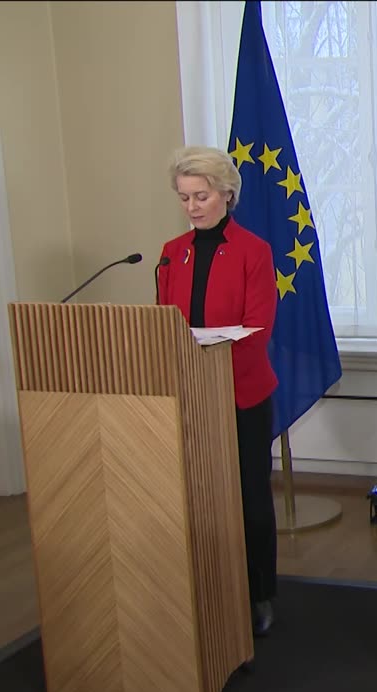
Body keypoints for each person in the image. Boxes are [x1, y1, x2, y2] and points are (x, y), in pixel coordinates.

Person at [157, 146, 280, 636]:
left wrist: (211, 370)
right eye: (184, 197)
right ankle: (206, 591)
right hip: (188, 397)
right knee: (198, 495)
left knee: (250, 497)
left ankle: (260, 594)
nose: (192, 206)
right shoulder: (171, 253)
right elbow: (164, 326)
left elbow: (257, 329)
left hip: (242, 394)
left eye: (201, 196)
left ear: (226, 195)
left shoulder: (254, 251)